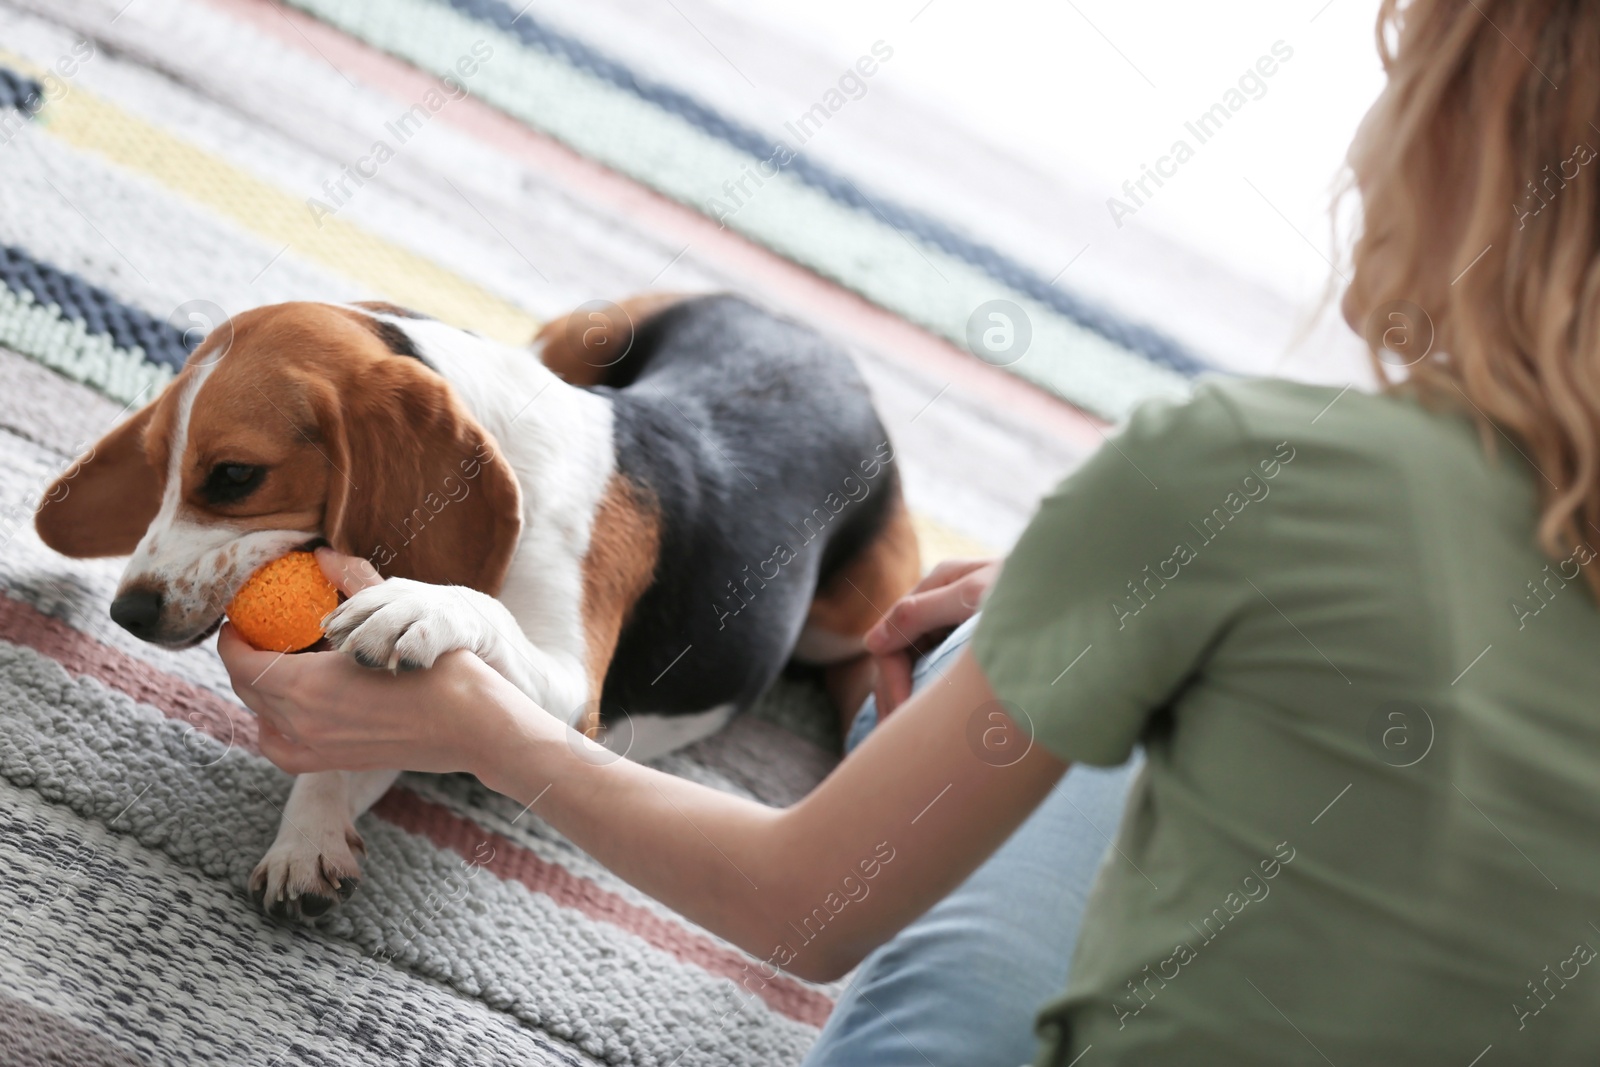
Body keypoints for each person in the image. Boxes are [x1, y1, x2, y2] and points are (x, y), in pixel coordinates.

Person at [219, 1, 1600, 1062]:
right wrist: (1128, 598)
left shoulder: (1244, 471)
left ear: (1467, 133)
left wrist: (478, 729)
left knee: (999, 665)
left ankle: (965, 710)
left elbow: (806, 908)